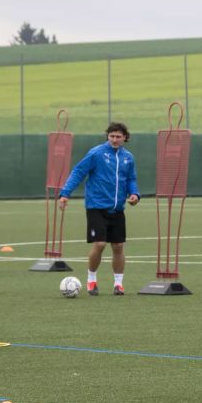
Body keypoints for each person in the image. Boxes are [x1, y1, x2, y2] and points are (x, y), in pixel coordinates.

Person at [58, 122, 140, 296]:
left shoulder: (128, 158)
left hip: (117, 208)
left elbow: (131, 179)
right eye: (112, 136)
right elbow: (78, 172)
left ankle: (118, 284)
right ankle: (91, 280)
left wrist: (135, 194)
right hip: (96, 206)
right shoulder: (96, 153)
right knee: (100, 243)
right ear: (107, 136)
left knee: (118, 246)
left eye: (118, 136)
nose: (115, 140)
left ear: (125, 137)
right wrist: (65, 194)